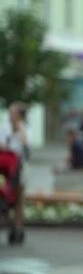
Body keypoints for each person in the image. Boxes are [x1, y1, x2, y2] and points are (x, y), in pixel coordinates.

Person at [0, 101, 30, 244]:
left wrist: (20, 128)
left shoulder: (25, 128)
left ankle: (18, 228)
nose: (9, 116)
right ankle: (9, 223)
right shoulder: (4, 128)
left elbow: (25, 145)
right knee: (5, 196)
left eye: (13, 113)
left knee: (18, 198)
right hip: (4, 167)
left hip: (19, 167)